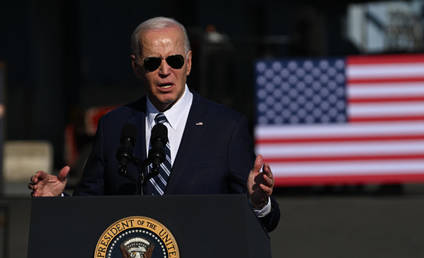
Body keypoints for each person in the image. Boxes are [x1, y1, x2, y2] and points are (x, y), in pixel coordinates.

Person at [29, 17, 280, 232]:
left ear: (189, 63)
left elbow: (266, 221)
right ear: (136, 67)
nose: (164, 70)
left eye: (175, 61)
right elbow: (89, 208)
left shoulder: (227, 127)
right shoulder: (114, 126)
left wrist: (258, 203)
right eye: (152, 62)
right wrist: (58, 200)